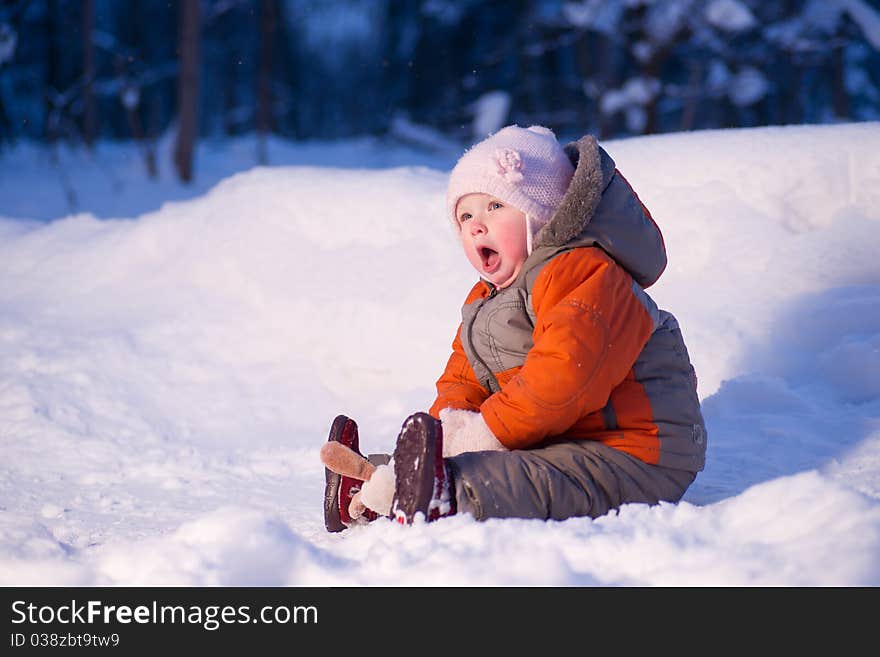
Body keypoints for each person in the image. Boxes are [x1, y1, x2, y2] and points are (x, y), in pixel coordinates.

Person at [321, 125, 706, 532]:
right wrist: (445, 431)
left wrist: (481, 435)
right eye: (465, 215)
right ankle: (374, 481)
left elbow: (562, 379)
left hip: (634, 453)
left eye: (495, 207)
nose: (475, 225)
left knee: (517, 478)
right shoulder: (485, 298)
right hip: (563, 438)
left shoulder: (587, 274)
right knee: (483, 458)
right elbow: (463, 377)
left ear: (542, 216)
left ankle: (441, 493)